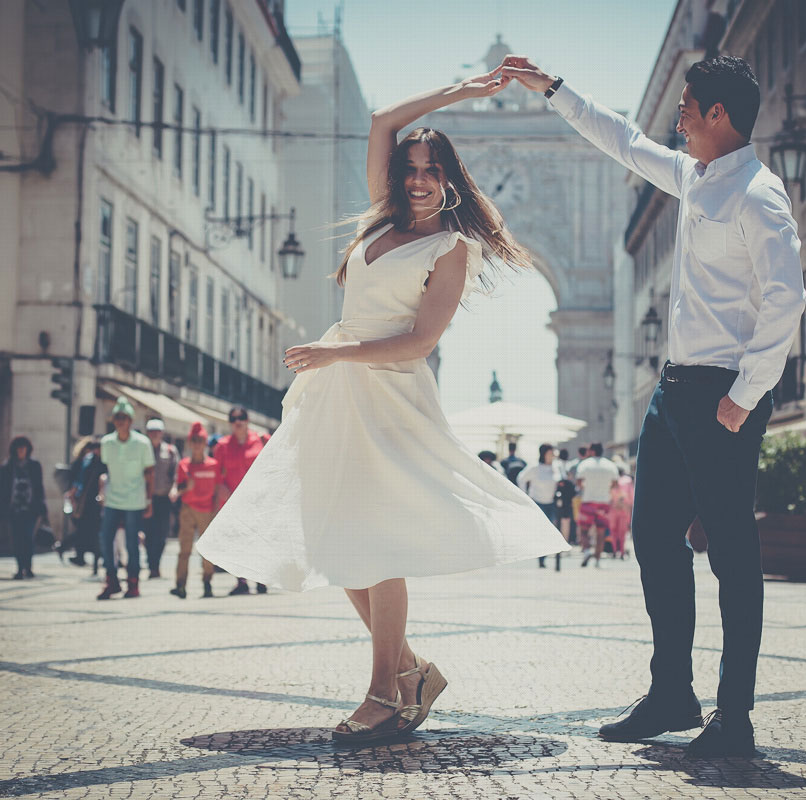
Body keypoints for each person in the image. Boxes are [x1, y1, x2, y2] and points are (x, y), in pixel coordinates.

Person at [196, 71, 566, 746]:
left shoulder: (453, 246)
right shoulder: (382, 219)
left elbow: (422, 340)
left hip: (387, 391)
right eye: (411, 168)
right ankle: (411, 672)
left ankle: (382, 693)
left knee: (375, 543)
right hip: (336, 390)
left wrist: (337, 354)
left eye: (431, 169)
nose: (419, 178)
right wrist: (459, 92)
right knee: (338, 538)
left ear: (449, 178)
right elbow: (380, 122)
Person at [502, 54, 805, 757]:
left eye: (688, 108)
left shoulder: (759, 195)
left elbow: (786, 298)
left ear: (719, 116)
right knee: (652, 538)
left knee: (733, 556)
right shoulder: (696, 177)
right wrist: (555, 90)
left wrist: (744, 396)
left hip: (723, 392)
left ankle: (735, 717)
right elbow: (625, 140)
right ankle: (672, 690)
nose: (678, 119)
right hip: (673, 392)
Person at [96, 398, 155, 600]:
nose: (120, 421)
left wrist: (149, 501)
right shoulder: (106, 443)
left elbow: (149, 473)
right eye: (117, 418)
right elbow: (105, 470)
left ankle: (133, 582)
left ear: (130, 420)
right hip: (112, 499)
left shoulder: (142, 443)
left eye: (124, 418)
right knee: (105, 539)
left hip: (134, 499)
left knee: (132, 542)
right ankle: (111, 580)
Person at [214, 407, 268, 596]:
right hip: (233, 502)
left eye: (242, 418)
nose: (238, 422)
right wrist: (230, 499)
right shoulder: (222, 446)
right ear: (230, 422)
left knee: (259, 541)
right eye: (234, 419)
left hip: (258, 501)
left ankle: (262, 579)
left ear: (248, 420)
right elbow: (217, 477)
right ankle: (242, 581)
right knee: (237, 543)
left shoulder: (261, 440)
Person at [171, 421, 220, 599]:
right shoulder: (184, 465)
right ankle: (180, 585)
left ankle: (207, 583)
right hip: (187, 509)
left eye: (201, 440)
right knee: (184, 549)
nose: (198, 444)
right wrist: (186, 488)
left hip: (206, 511)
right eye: (194, 440)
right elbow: (178, 488)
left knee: (206, 550)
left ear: (205, 443)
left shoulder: (213, 465)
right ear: (190, 443)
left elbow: (217, 490)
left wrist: (215, 513)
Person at [0, 436, 48, 580]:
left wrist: (42, 506)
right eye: (19, 448)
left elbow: (39, 487)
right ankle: (19, 568)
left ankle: (27, 567)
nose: (21, 451)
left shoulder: (34, 466)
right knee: (16, 539)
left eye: (24, 448)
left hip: (30, 509)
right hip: (13, 509)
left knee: (28, 538)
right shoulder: (7, 466)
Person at [142, 419, 179, 580]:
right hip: (147, 499)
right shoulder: (143, 451)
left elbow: (176, 474)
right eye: (151, 431)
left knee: (162, 533)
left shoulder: (170, 451)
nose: (155, 434)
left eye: (157, 431)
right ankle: (152, 565)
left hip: (164, 499)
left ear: (162, 433)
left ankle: (156, 564)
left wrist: (174, 490)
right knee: (148, 534)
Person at [518, 444, 565, 569]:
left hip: (552, 503)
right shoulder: (535, 468)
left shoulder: (557, 467)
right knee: (541, 530)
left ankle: (543, 555)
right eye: (550, 453)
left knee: (550, 531)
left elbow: (562, 481)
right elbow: (521, 478)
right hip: (538, 502)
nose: (552, 455)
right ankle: (541, 557)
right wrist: (525, 495)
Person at [576, 443, 620, 568]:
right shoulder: (610, 465)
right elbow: (615, 484)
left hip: (588, 500)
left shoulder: (585, 464)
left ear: (592, 451)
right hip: (604, 502)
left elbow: (579, 481)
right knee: (601, 532)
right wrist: (606, 490)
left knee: (584, 530)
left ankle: (587, 551)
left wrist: (587, 487)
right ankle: (597, 559)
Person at [65, 437, 103, 569]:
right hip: (87, 501)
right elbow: (79, 479)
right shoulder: (87, 461)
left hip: (102, 501)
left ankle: (97, 558)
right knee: (85, 529)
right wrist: (74, 494)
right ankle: (81, 556)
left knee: (93, 530)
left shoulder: (105, 461)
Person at [609, 456, 635, 560]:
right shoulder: (628, 480)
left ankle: (616, 551)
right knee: (622, 532)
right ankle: (622, 551)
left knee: (614, 530)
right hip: (625, 508)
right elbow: (631, 495)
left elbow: (608, 495)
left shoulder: (612, 481)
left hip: (613, 508)